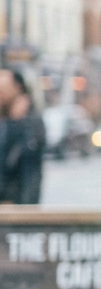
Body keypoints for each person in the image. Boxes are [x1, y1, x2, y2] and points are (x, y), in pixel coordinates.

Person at [0, 69, 44, 204]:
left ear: (17, 88)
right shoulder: (5, 121)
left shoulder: (31, 124)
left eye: (3, 90)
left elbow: (28, 168)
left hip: (15, 206)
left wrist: (18, 123)